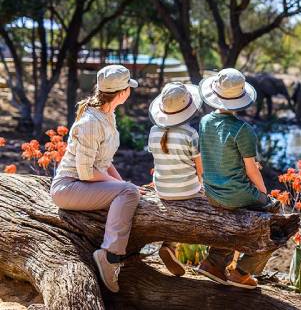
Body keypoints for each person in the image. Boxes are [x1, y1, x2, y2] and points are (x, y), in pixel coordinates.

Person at [50, 65, 141, 293]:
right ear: (122, 93)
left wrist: (124, 183)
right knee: (128, 192)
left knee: (129, 190)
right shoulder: (91, 122)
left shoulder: (107, 115)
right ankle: (110, 255)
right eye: (129, 87)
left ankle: (114, 253)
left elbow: (105, 161)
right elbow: (86, 172)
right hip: (69, 187)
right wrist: (124, 188)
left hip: (83, 183)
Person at [195, 68, 279, 289]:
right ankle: (242, 272)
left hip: (212, 192)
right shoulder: (243, 129)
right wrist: (265, 196)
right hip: (235, 194)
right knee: (275, 221)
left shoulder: (204, 122)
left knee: (236, 218)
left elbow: (214, 156)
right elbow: (252, 171)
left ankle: (213, 263)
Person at [147, 82, 204, 277]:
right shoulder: (190, 133)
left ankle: (169, 245)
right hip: (187, 189)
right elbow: (200, 168)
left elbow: (156, 158)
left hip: (162, 189)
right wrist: (203, 186)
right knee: (202, 208)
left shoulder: (154, 131)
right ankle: (171, 246)